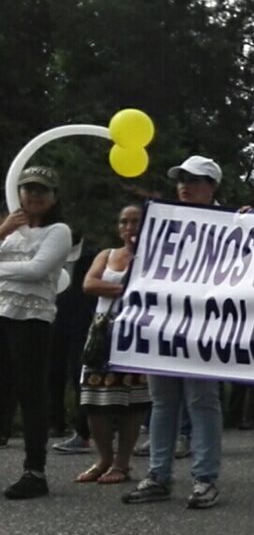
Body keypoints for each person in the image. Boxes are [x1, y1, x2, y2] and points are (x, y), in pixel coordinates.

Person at [123, 156, 226, 509]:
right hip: (162, 323)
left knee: (201, 401)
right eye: (180, 178)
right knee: (163, 402)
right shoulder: (162, 221)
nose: (184, 185)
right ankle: (157, 474)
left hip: (204, 327)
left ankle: (204, 478)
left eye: (194, 179)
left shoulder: (233, 224)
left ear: (211, 186)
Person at [0, 166, 72, 499]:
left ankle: (35, 470)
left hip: (33, 320)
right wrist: (2, 231)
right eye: (28, 189)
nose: (34, 195)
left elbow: (37, 270)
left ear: (54, 196)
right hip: (2, 313)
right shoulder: (9, 229)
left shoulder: (59, 231)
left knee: (31, 393)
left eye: (42, 190)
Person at [74, 205, 151, 485]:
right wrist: (126, 289)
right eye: (124, 221)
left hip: (135, 330)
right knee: (94, 399)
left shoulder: (153, 257)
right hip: (102, 329)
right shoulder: (107, 255)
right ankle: (103, 458)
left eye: (135, 221)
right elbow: (89, 284)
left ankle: (122, 462)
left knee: (132, 399)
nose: (129, 226)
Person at [49, 229, 97, 451]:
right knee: (53, 372)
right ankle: (54, 422)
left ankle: (83, 430)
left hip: (83, 322)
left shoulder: (91, 255)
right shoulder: (52, 251)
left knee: (79, 375)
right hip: (53, 318)